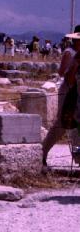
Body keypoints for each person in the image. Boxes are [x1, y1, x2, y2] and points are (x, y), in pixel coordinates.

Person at [42, 29, 80, 167]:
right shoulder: (70, 53)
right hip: (70, 90)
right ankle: (42, 152)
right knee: (62, 124)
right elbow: (63, 73)